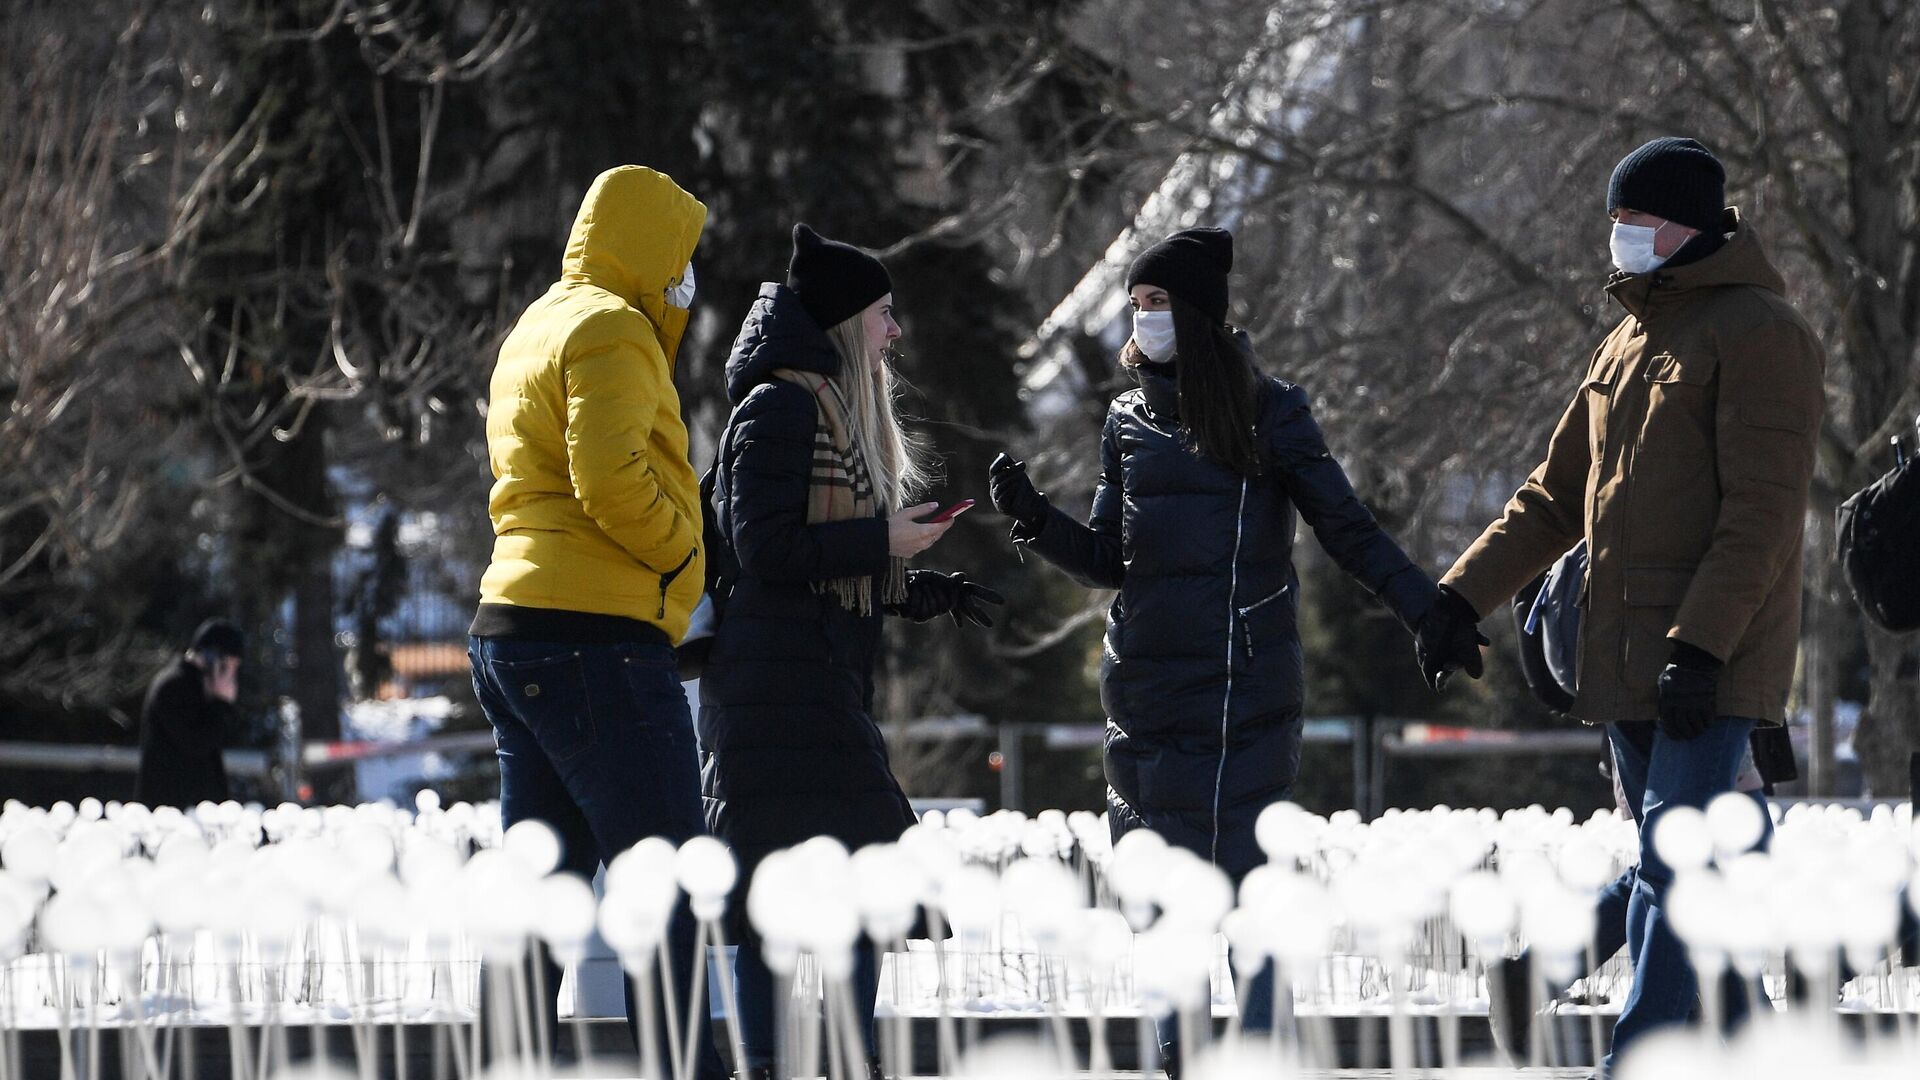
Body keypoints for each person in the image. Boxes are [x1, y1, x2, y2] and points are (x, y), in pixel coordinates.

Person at [987, 226, 1438, 1072]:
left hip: (1244, 696)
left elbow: (1346, 528)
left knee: (1251, 901)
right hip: (1148, 700)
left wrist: (1427, 609)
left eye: (1157, 303)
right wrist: (1036, 519)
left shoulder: (1273, 411)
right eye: (1136, 304)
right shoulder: (1125, 416)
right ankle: (1178, 1064)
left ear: (1195, 313)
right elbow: (1109, 561)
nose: (1142, 318)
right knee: (1163, 913)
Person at [1419, 138, 1826, 1075]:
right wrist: (1459, 596)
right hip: (1625, 659)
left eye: (1636, 221)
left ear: (1688, 224)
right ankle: (1742, 1048)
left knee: (1680, 869)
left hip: (1705, 665)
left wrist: (1701, 647)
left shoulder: (1761, 332)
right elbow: (1556, 494)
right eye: (1617, 221)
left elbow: (1761, 517)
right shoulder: (1627, 339)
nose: (1621, 238)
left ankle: (1635, 1059)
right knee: (1693, 866)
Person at [699, 224, 1001, 1080]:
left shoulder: (817, 405)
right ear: (842, 321)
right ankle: (791, 1063)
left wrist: (919, 582)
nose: (895, 332)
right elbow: (764, 550)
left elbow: (811, 562)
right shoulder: (780, 406)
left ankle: (845, 1059)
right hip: (770, 698)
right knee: (790, 899)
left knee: (856, 889)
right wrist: (881, 545)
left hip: (809, 687)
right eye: (883, 314)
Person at [466, 165, 724, 1078]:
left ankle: (512, 1063)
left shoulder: (536, 324)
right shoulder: (615, 329)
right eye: (683, 258)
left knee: (543, 890)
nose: (690, 279)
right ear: (652, 254)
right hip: (594, 639)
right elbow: (610, 477)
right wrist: (681, 559)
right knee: (668, 889)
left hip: (515, 628)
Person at [135, 618, 243, 809]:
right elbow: (197, 742)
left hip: (191, 809)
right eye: (230, 664)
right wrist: (221, 704)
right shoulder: (174, 686)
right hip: (171, 811)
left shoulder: (198, 686)